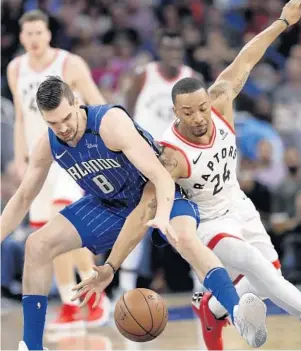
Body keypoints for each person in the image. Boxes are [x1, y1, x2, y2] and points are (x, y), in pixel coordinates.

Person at [73, 1, 301, 350]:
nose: (200, 117)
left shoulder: (219, 100)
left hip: (237, 203)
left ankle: (211, 308)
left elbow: (247, 57)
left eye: (202, 108)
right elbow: (143, 211)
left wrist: (282, 22)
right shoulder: (170, 157)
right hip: (207, 220)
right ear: (176, 112)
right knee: (253, 264)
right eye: (189, 112)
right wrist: (111, 265)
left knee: (269, 277)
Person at [1, 76, 267, 351]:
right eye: (53, 123)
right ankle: (31, 346)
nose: (63, 128)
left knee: (185, 239)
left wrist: (163, 216)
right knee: (37, 244)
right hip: (109, 203)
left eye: (66, 118)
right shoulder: (48, 144)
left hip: (155, 191)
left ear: (76, 103)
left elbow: (160, 177)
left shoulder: (110, 124)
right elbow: (22, 198)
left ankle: (237, 312)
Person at [7, 9, 109, 329]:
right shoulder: (15, 68)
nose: (35, 39)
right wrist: (19, 157)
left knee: (61, 221)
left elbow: (98, 105)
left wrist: (103, 145)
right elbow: (22, 117)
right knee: (47, 235)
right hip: (38, 161)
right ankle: (69, 303)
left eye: (40, 32)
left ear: (48, 34)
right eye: (29, 34)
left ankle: (97, 297)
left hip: (69, 153)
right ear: (21, 37)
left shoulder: (69, 64)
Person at [120, 31, 200, 293]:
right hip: (143, 159)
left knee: (189, 222)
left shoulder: (190, 77)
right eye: (169, 49)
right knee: (137, 220)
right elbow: (126, 111)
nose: (174, 55)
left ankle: (202, 283)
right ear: (160, 51)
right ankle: (125, 285)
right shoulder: (145, 75)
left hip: (177, 161)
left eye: (178, 50)